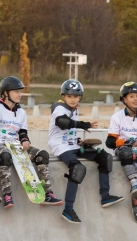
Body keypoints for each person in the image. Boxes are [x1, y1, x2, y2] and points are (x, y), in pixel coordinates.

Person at [0, 76, 63, 208]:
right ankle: (7, 195)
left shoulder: (21, 112)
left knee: (42, 154)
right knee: (5, 155)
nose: (20, 94)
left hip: (15, 144)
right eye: (16, 91)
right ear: (6, 93)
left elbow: (22, 132)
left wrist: (24, 140)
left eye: (20, 91)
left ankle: (48, 193)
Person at [48, 79, 123, 224]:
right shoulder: (59, 107)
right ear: (63, 96)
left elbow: (69, 129)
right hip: (59, 145)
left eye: (76, 97)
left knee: (104, 157)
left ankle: (105, 196)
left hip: (72, 144)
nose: (73, 99)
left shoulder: (74, 109)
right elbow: (62, 123)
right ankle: (68, 208)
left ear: (80, 97)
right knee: (77, 168)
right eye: (69, 96)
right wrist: (83, 124)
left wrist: (78, 140)